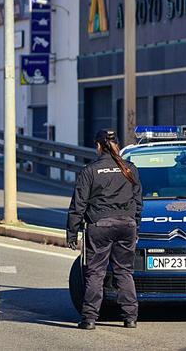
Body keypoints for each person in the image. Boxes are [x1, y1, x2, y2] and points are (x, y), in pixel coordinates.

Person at [66, 129, 142, 330]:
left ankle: (89, 319)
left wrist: (72, 233)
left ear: (98, 146)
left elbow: (78, 205)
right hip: (127, 225)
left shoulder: (90, 170)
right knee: (124, 272)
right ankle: (130, 317)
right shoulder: (130, 168)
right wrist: (136, 225)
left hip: (100, 226)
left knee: (95, 273)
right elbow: (138, 202)